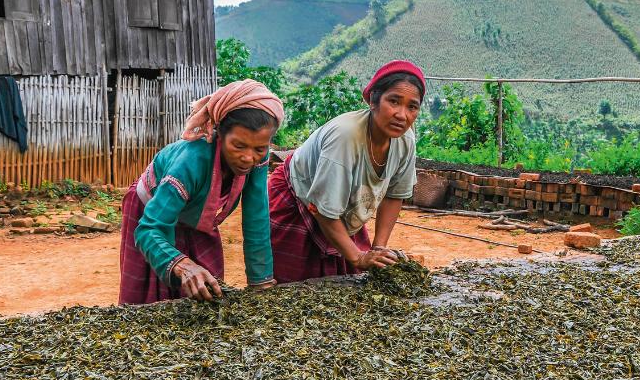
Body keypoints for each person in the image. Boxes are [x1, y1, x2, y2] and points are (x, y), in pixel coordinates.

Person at [118, 80, 284, 304]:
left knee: (208, 285)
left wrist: (260, 282)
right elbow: (148, 229)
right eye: (238, 146)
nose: (248, 158)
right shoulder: (191, 162)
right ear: (219, 134)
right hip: (153, 208)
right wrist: (182, 265)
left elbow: (257, 219)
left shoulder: (258, 159)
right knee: (156, 293)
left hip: (198, 216)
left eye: (259, 149)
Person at [268, 60, 424, 282]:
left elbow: (394, 195)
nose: (402, 115)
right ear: (372, 101)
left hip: (343, 206)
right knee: (297, 285)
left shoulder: (405, 140)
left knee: (348, 281)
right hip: (299, 198)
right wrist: (358, 257)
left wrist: (378, 247)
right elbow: (321, 209)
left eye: (412, 106)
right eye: (394, 101)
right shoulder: (345, 138)